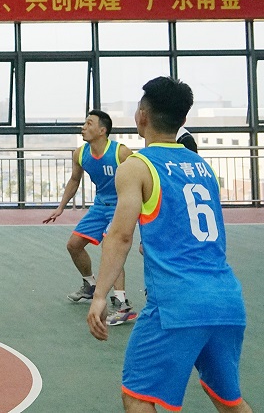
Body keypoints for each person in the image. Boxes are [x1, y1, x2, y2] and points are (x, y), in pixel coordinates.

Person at [87, 77, 251, 413]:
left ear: (142, 116)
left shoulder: (137, 166)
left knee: (137, 396)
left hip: (177, 302)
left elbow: (119, 236)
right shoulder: (203, 168)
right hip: (226, 299)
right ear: (183, 119)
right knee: (228, 401)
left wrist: (101, 295)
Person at [44, 111, 136, 325]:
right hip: (100, 206)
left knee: (111, 248)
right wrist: (60, 207)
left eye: (89, 123)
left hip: (121, 206)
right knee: (74, 245)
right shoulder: (80, 154)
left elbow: (139, 178)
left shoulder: (121, 152)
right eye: (84, 123)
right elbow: (74, 180)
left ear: (102, 130)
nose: (83, 127)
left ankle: (121, 303)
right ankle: (90, 285)